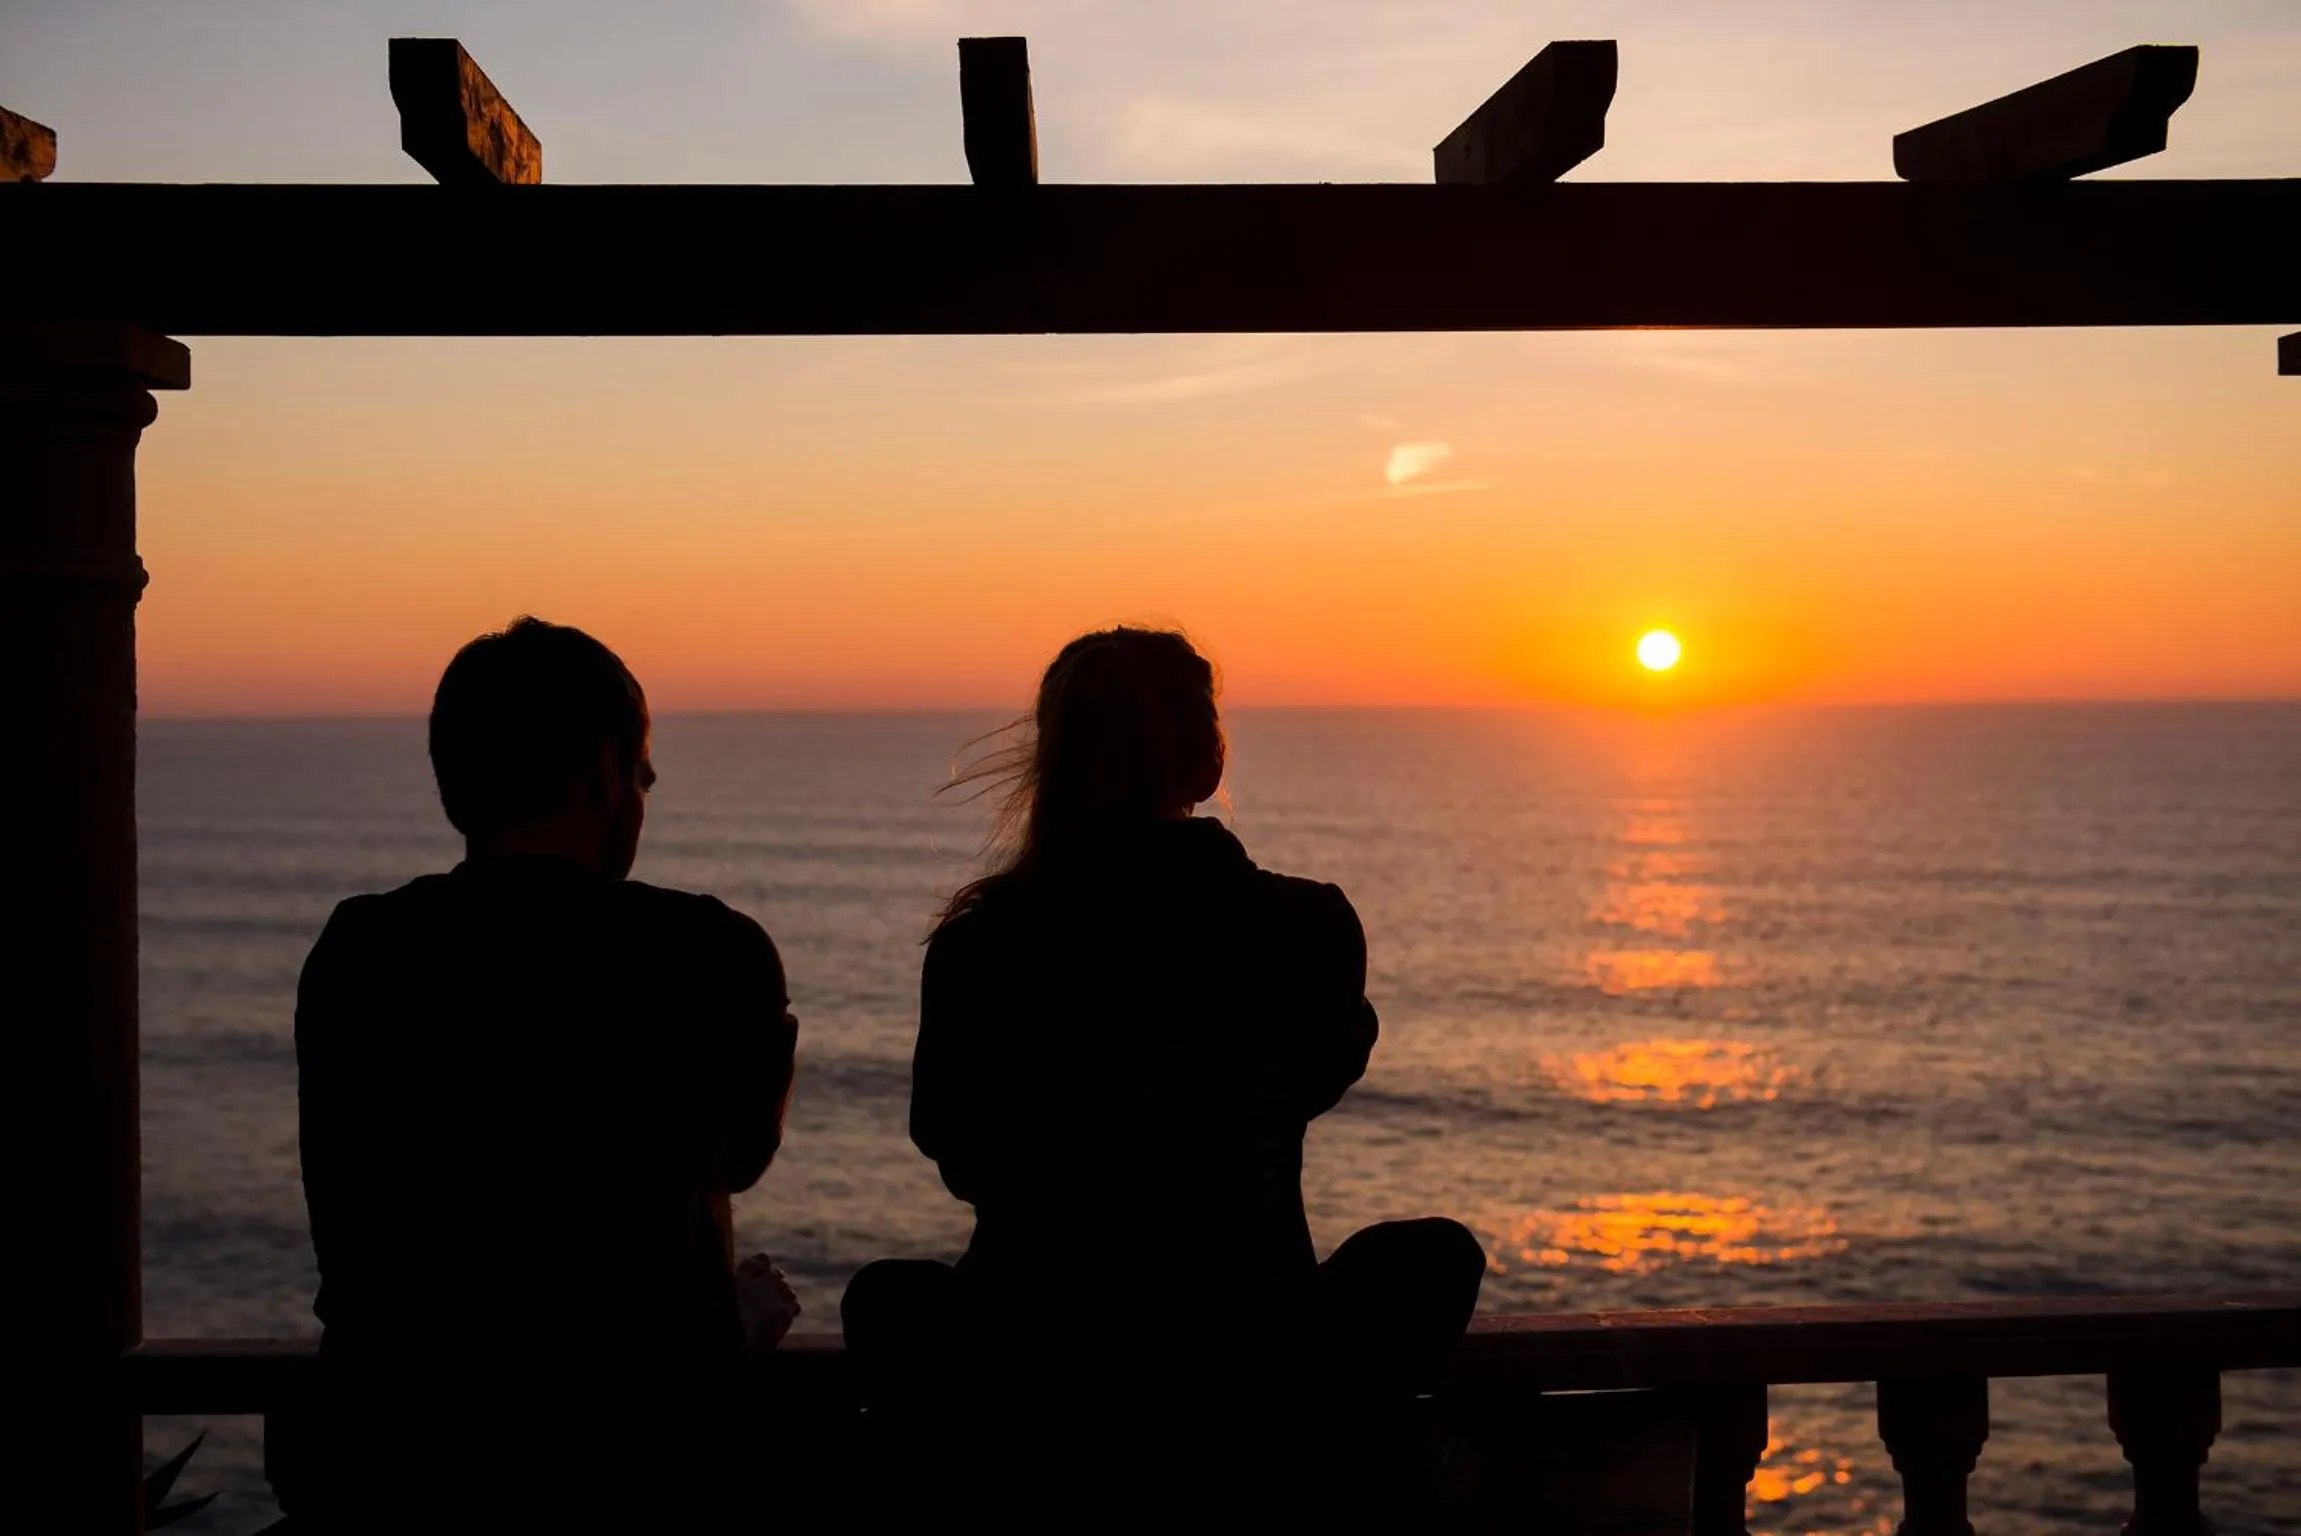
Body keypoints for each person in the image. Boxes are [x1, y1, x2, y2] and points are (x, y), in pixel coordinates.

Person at [842, 626, 1484, 1522]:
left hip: (1035, 1371)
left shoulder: (980, 946)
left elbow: (953, 1149)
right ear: (1207, 760)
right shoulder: (1303, 929)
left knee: (889, 1298)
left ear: (1052, 757)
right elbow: (1325, 1062)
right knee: (1432, 1256)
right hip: (1250, 1366)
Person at [293, 617, 799, 1528]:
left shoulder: (358, 952)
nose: (642, 800)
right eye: (642, 775)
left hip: (395, 1463)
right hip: (634, 1467)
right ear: (606, 769)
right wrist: (727, 1319)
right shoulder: (707, 952)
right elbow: (736, 1159)